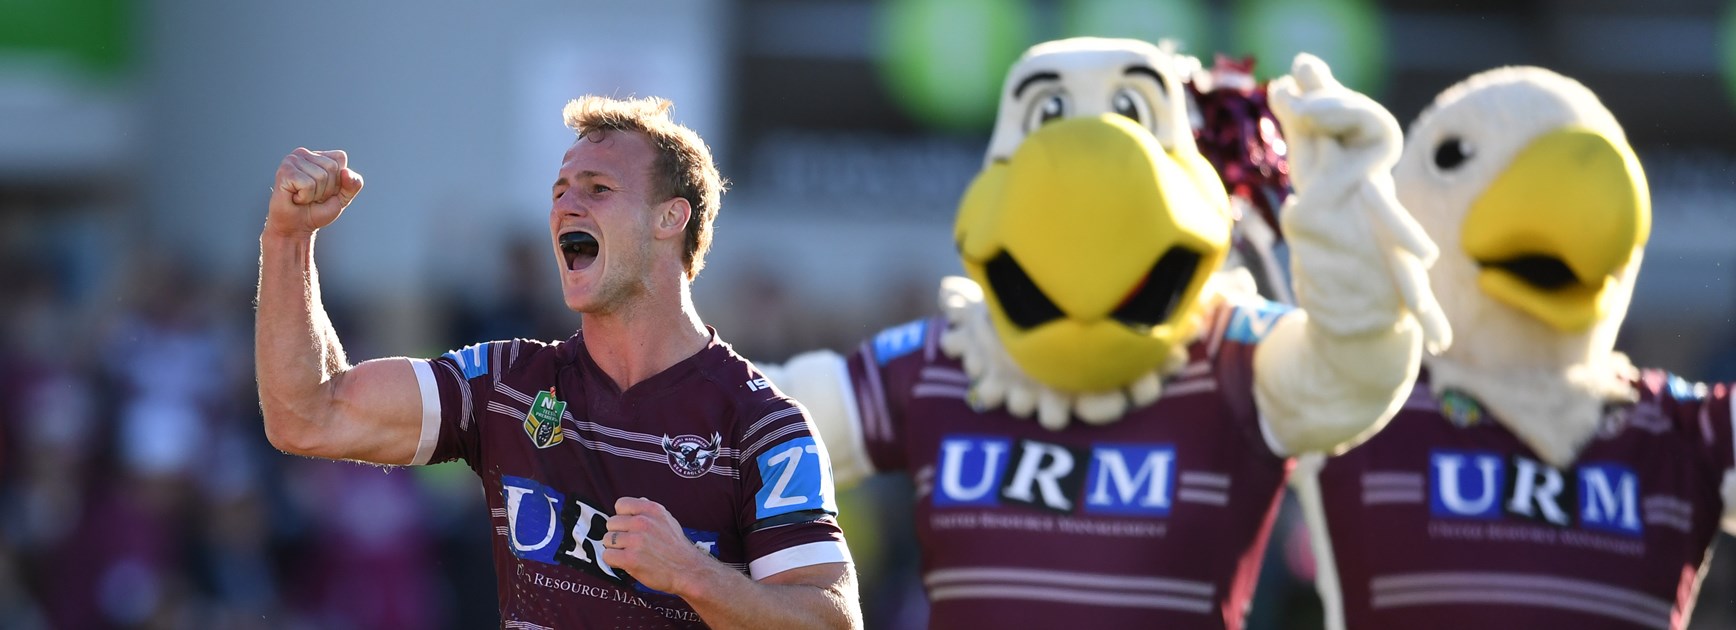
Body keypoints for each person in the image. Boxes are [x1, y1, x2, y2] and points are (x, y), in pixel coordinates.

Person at [255, 95, 861, 629]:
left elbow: (830, 620)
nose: (566, 205)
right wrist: (287, 239)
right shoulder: (506, 384)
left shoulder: (762, 426)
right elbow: (307, 416)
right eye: (559, 191)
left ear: (670, 218)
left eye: (598, 189)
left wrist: (692, 573)